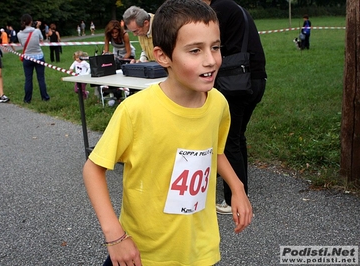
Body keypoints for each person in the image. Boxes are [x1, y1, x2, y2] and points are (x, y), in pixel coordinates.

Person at [82, 0, 253, 265]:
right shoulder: (135, 111)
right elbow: (93, 170)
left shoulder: (218, 103)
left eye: (216, 47)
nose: (211, 60)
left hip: (199, 249)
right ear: (162, 56)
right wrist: (114, 235)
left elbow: (214, 151)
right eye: (195, 50)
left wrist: (237, 187)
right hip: (142, 253)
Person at [201, 0, 267, 214]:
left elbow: (211, 43)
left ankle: (233, 199)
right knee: (238, 137)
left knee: (229, 141)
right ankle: (240, 190)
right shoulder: (235, 8)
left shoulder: (218, 10)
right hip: (255, 79)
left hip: (236, 82)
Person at [17, 14, 50, 103]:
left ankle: (27, 99)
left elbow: (22, 44)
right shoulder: (37, 31)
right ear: (31, 22)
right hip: (38, 56)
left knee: (28, 79)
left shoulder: (19, 34)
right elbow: (41, 40)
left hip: (27, 57)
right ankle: (45, 97)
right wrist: (37, 27)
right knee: (41, 78)